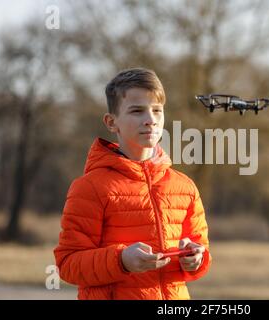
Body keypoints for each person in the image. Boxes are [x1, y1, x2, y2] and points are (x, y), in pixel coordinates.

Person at [53, 67, 211, 300]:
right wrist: (121, 260)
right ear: (111, 122)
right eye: (137, 111)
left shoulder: (184, 186)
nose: (150, 120)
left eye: (157, 110)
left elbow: (201, 252)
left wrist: (196, 258)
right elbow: (68, 264)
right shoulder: (90, 187)